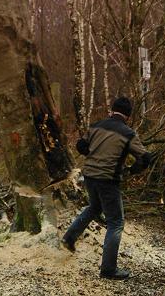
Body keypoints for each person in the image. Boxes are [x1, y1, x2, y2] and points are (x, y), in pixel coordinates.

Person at [61, 96, 154, 280]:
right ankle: (108, 269)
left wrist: (94, 154)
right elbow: (145, 158)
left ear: (112, 110)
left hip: (89, 175)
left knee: (94, 208)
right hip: (108, 180)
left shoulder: (97, 125)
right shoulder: (128, 133)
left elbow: (80, 145)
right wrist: (133, 170)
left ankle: (69, 238)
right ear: (127, 115)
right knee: (116, 223)